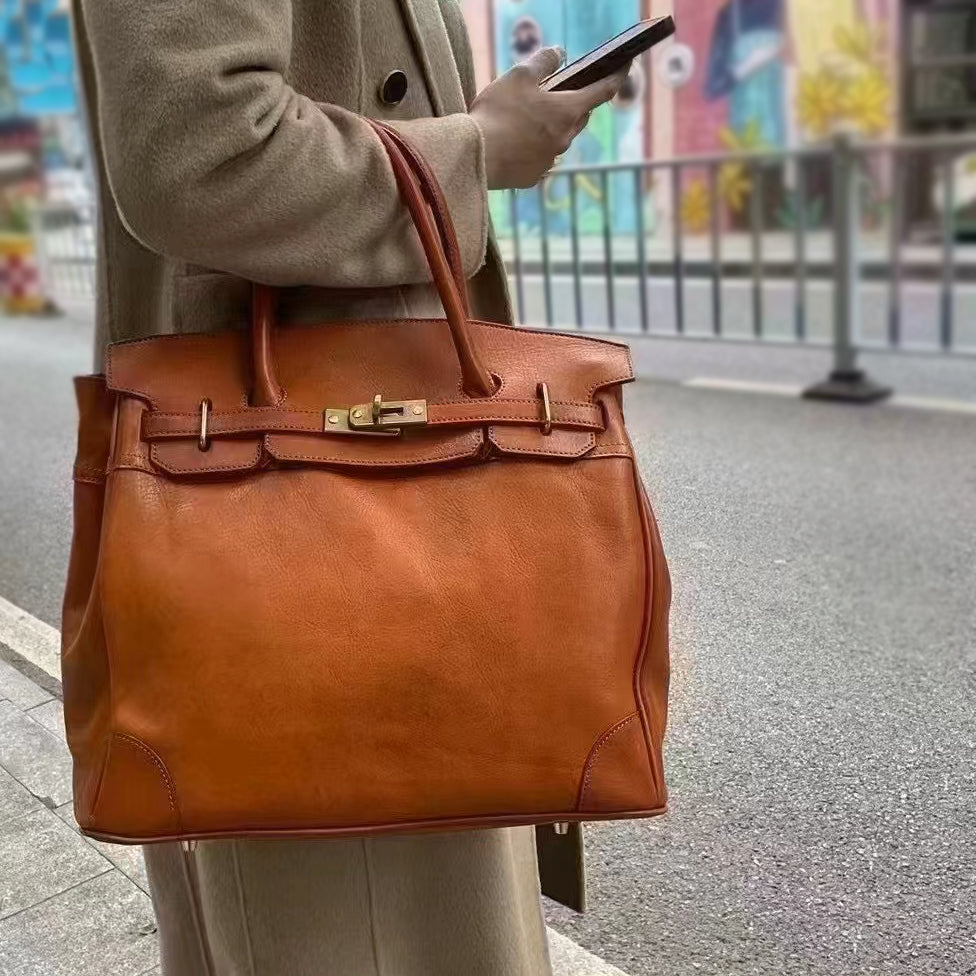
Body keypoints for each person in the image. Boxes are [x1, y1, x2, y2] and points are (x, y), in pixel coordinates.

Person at [71, 1, 627, 972]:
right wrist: (476, 150)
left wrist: (478, 131)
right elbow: (202, 150)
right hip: (306, 527)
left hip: (343, 499)